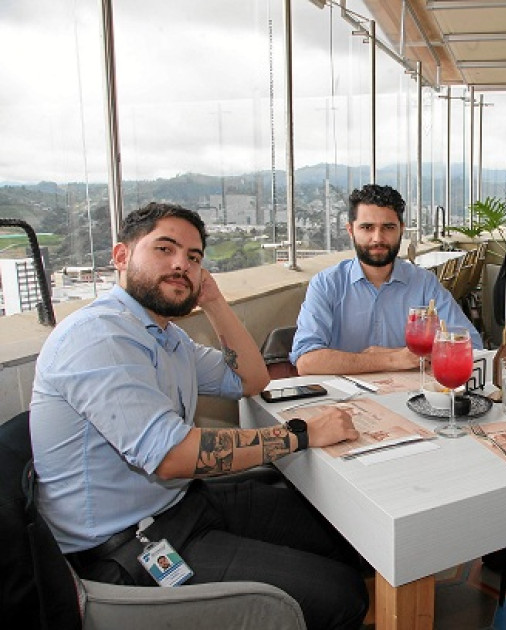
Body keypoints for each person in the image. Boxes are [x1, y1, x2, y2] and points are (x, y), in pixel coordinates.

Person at [30, 203, 368, 630]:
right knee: (340, 593)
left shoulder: (166, 337)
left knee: (344, 533)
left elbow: (251, 377)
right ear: (120, 257)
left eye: (193, 257)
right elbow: (173, 455)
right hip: (125, 546)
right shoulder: (99, 336)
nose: (181, 265)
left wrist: (213, 300)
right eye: (165, 249)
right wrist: (300, 434)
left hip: (180, 502)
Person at [291, 184, 482, 375]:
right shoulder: (326, 285)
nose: (377, 238)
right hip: (345, 402)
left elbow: (471, 345)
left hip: (409, 398)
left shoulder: (424, 283)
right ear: (351, 231)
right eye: (367, 227)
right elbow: (306, 361)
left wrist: (396, 356)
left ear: (401, 229)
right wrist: (393, 359)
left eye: (388, 227)